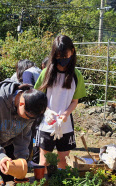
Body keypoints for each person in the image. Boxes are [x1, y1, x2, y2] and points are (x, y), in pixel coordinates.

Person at [0, 81, 47, 182]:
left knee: (9, 176)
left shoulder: (32, 108)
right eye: (27, 116)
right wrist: (0, 155)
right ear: (21, 103)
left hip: (9, 139)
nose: (28, 120)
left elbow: (24, 136)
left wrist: (22, 158)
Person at [34, 35, 86, 169]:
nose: (62, 59)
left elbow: (75, 101)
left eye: (65, 56)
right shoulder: (46, 73)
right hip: (47, 123)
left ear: (72, 51)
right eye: (58, 56)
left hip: (65, 124)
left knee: (63, 161)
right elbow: (38, 98)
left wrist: (66, 113)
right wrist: (47, 111)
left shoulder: (76, 75)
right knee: (44, 161)